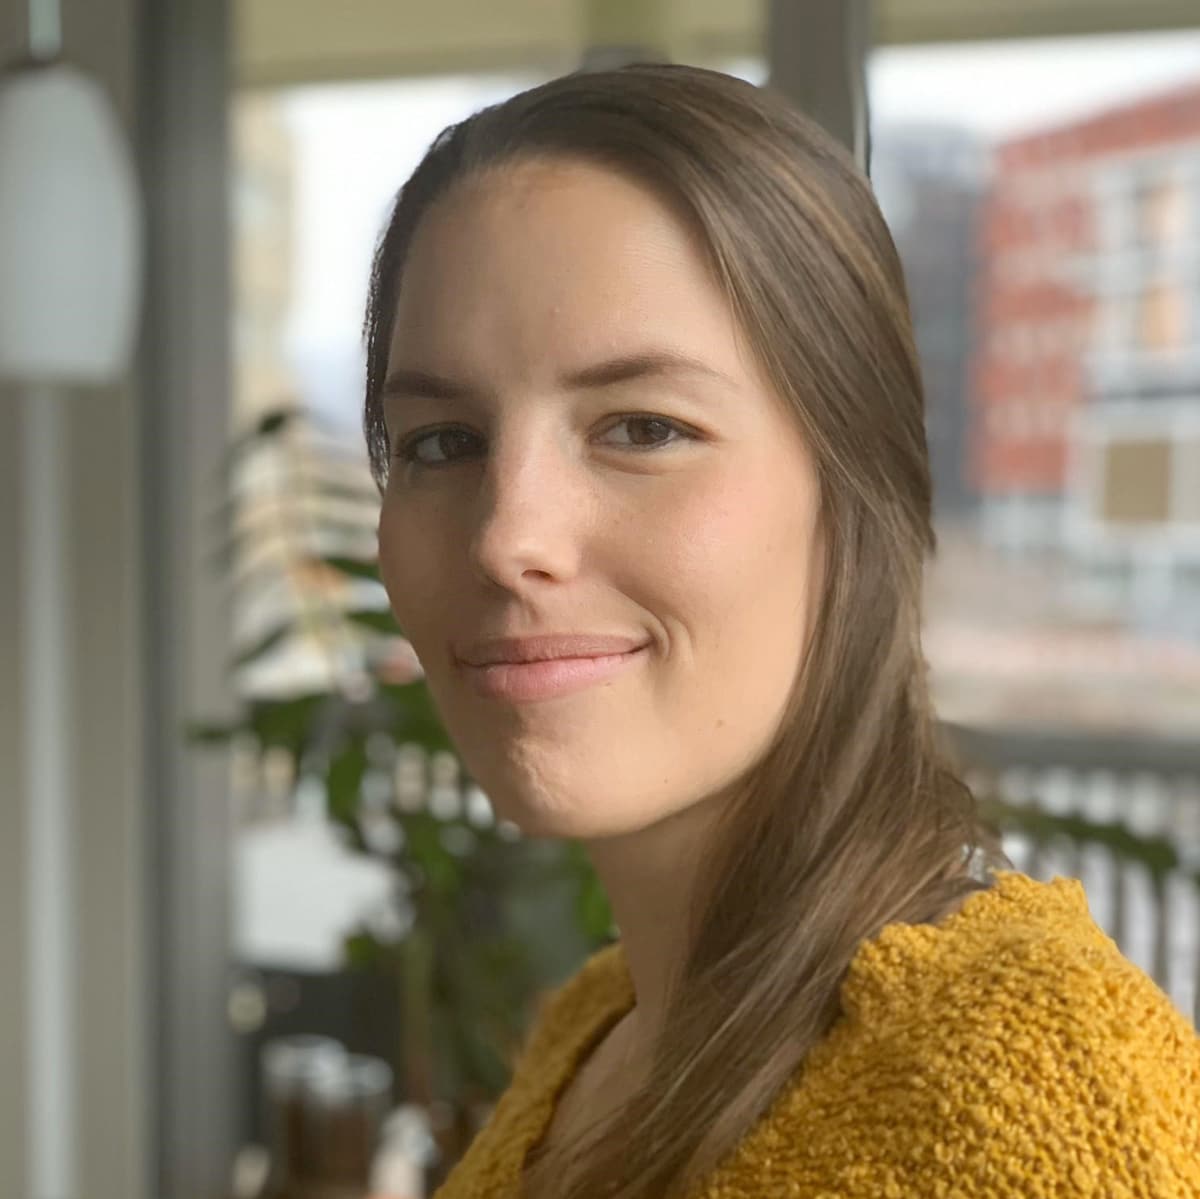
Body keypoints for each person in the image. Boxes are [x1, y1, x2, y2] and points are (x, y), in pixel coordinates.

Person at [364, 62, 1200, 1199]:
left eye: (643, 427)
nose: (506, 537)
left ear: (856, 494)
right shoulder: (597, 1027)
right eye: (441, 442)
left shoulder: (1027, 1093)